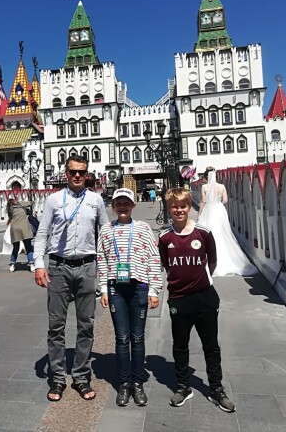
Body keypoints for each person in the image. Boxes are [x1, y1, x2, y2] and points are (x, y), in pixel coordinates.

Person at [34, 155, 109, 402]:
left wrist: (109, 270)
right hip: (58, 267)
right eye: (73, 172)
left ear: (88, 174)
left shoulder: (95, 200)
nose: (78, 176)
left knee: (86, 325)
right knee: (56, 326)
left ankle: (80, 376)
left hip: (87, 267)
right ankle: (57, 378)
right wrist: (38, 265)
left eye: (82, 172)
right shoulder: (53, 200)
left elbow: (106, 234)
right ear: (65, 173)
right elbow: (42, 233)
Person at [157, 187, 236, 413]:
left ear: (189, 207)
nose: (179, 210)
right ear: (169, 209)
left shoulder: (203, 232)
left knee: (210, 345)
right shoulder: (164, 236)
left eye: (183, 206)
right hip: (179, 299)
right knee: (180, 345)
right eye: (175, 207)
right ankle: (183, 385)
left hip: (204, 297)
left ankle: (216, 388)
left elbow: (212, 262)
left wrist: (200, 280)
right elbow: (166, 265)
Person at [97, 188, 162, 407]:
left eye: (126, 202)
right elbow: (102, 260)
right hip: (116, 288)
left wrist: (154, 289)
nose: (122, 206)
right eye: (118, 203)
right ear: (113, 206)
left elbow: (153, 258)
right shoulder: (106, 230)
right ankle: (124, 383)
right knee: (122, 337)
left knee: (138, 337)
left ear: (133, 205)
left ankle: (137, 382)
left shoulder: (142, 228)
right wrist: (104, 290)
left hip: (139, 287)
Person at [197, 166, 258, 276]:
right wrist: (218, 202)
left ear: (206, 177)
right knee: (222, 232)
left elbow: (203, 201)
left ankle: (210, 259)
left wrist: (200, 214)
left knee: (210, 233)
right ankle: (226, 258)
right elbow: (225, 200)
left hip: (209, 210)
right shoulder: (222, 186)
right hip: (219, 210)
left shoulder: (204, 187)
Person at [7, 198, 35, 272]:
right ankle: (31, 265)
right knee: (28, 247)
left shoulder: (10, 209)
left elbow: (10, 218)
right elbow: (31, 202)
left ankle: (12, 265)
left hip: (14, 228)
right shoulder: (21, 205)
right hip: (24, 228)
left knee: (16, 247)